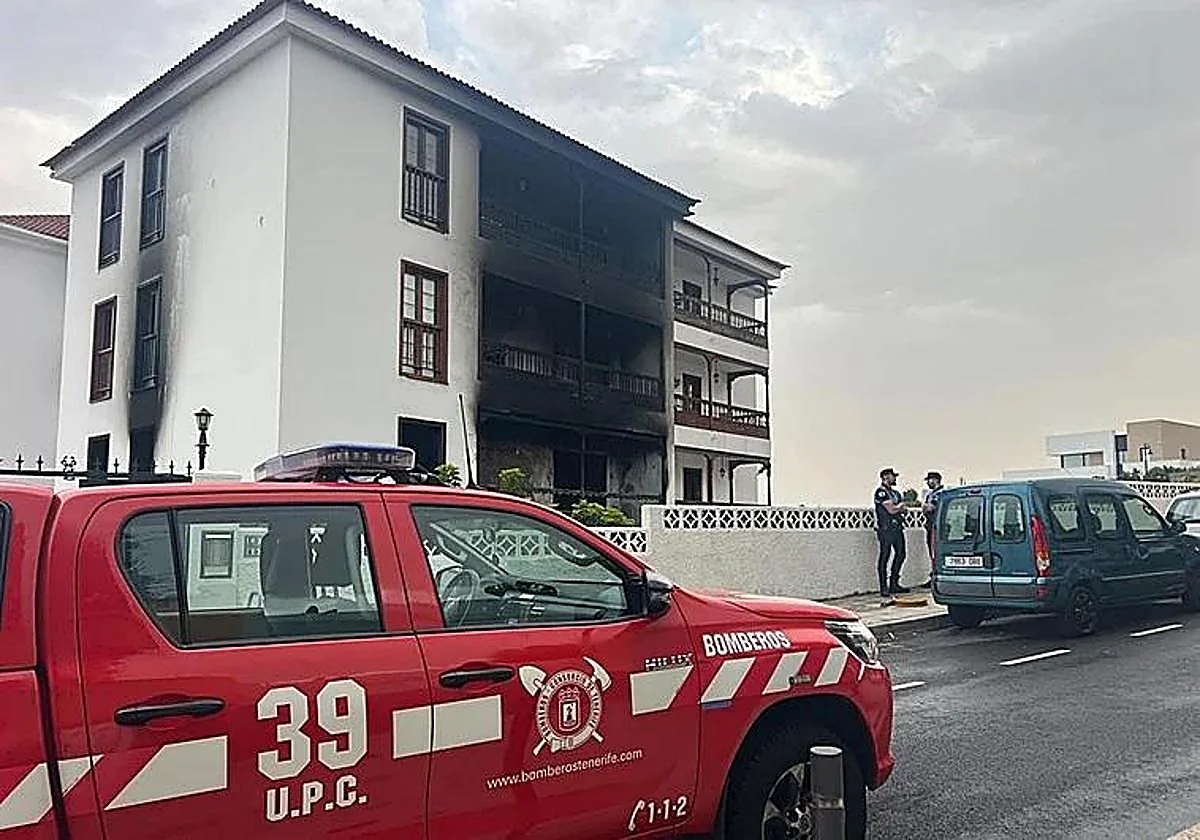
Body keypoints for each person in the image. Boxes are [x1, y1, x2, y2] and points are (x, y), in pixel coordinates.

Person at [873, 468, 910, 599]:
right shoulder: (881, 492)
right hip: (886, 529)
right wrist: (899, 507)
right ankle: (884, 586)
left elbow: (903, 509)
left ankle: (894, 582)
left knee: (901, 554)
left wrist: (899, 508)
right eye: (893, 476)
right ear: (886, 477)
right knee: (885, 556)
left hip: (897, 528)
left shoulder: (895, 493)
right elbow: (892, 510)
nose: (895, 479)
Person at [920, 470, 945, 589]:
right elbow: (925, 508)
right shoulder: (930, 494)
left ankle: (936, 576)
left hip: (937, 527)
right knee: (932, 553)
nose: (928, 483)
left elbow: (930, 508)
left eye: (929, 480)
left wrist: (927, 507)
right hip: (929, 526)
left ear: (935, 480)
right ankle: (933, 576)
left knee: (936, 553)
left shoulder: (941, 493)